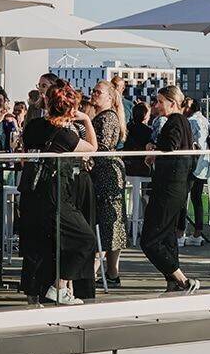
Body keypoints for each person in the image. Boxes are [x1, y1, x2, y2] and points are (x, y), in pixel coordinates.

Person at [19, 81, 98, 305]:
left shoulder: (33, 125)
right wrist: (86, 119)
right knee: (85, 238)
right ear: (71, 109)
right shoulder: (66, 136)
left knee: (38, 246)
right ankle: (60, 285)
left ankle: (34, 294)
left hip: (30, 191)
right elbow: (93, 147)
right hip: (54, 194)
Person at [140, 85, 200, 293]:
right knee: (167, 237)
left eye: (159, 101)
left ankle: (182, 279)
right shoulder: (183, 122)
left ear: (172, 103)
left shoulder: (174, 120)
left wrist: (153, 149)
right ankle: (173, 282)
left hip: (168, 187)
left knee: (149, 240)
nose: (156, 106)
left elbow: (171, 145)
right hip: (177, 187)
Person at [89, 81, 126, 286]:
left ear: (110, 98)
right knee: (111, 224)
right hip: (107, 173)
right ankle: (111, 273)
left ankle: (97, 272)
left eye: (98, 92)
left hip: (105, 175)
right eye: (93, 90)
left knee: (105, 222)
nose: (94, 94)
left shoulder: (106, 118)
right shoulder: (105, 116)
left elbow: (101, 147)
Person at [177, 97, 210, 247]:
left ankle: (180, 233)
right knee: (197, 198)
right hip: (204, 164)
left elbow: (192, 144)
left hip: (192, 163)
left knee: (183, 197)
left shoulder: (191, 122)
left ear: (189, 108)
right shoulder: (205, 120)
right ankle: (197, 233)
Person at [122, 102, 152, 178]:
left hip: (127, 163)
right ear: (145, 116)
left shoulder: (127, 128)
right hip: (142, 164)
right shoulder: (147, 131)